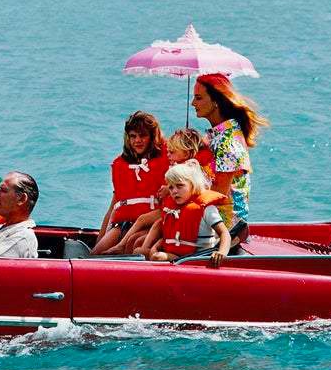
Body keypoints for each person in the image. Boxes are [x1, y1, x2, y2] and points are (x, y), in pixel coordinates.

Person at [113, 127, 215, 254]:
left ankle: (134, 248)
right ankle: (134, 248)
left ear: (186, 154)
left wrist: (168, 189)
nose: (168, 155)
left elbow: (196, 184)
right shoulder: (175, 166)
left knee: (144, 221)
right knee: (146, 223)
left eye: (172, 152)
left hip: (182, 211)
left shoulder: (191, 166)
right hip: (171, 209)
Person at [190, 73, 268, 226]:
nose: (193, 103)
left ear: (216, 101)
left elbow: (218, 195)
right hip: (212, 217)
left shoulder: (227, 143)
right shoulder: (219, 135)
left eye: (198, 98)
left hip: (225, 226)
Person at [92, 111, 169, 254]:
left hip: (150, 223)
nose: (137, 140)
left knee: (132, 243)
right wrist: (100, 238)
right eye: (133, 136)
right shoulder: (120, 165)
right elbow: (114, 205)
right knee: (96, 254)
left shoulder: (167, 158)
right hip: (122, 225)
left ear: (152, 136)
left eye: (142, 136)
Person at [143, 160, 231, 267]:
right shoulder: (172, 209)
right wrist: (154, 248)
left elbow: (224, 233)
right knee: (139, 251)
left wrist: (221, 252)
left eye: (179, 186)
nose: (174, 191)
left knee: (158, 257)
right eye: (171, 187)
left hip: (197, 257)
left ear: (193, 185)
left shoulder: (206, 209)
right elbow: (167, 236)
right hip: (177, 255)